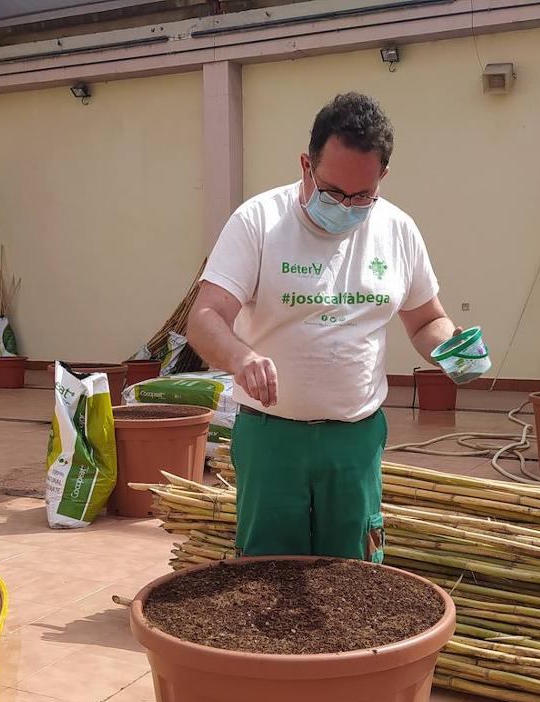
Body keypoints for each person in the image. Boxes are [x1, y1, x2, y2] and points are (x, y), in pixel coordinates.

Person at [187, 92, 458, 563]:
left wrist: (454, 350)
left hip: (354, 439)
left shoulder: (398, 231)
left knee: (353, 575)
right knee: (265, 571)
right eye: (333, 192)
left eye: (362, 196)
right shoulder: (259, 222)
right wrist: (240, 356)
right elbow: (205, 317)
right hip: (272, 437)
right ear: (306, 166)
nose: (347, 206)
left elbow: (427, 321)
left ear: (382, 177)